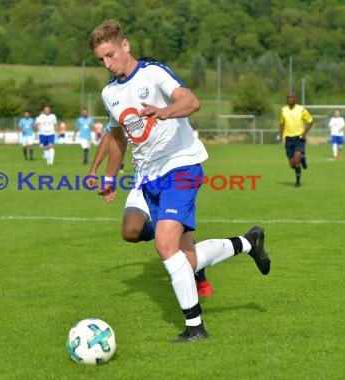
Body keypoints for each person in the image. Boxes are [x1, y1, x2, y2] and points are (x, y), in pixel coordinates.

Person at [88, 20, 270, 343]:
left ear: (125, 46)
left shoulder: (153, 73)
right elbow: (117, 136)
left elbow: (191, 101)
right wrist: (108, 177)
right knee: (185, 259)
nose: (107, 63)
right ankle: (248, 243)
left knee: (165, 246)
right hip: (148, 177)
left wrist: (166, 111)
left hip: (181, 166)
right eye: (101, 59)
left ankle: (195, 328)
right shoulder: (109, 93)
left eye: (110, 55)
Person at [86, 127, 216, 297]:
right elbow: (111, 135)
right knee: (130, 231)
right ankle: (177, 231)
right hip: (142, 181)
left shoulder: (159, 104)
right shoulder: (119, 106)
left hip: (170, 179)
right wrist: (94, 170)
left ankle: (201, 278)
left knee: (173, 234)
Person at [278, 91, 313, 188]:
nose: (290, 99)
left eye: (292, 97)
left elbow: (310, 121)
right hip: (288, 139)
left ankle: (298, 182)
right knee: (292, 165)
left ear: (295, 98)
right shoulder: (283, 110)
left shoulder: (301, 110)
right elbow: (281, 124)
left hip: (299, 138)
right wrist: (281, 136)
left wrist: (305, 133)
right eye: (288, 97)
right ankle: (303, 158)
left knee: (296, 158)